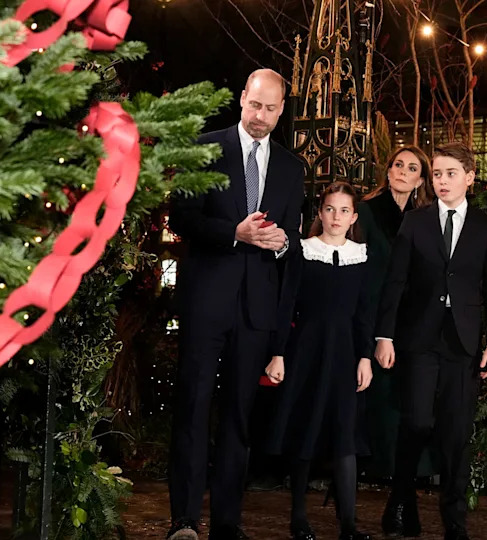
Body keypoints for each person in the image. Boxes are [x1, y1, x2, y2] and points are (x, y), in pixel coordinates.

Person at [167, 68, 306, 540]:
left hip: (256, 312)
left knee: (239, 419)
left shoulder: (292, 167)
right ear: (242, 98)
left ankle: (227, 522)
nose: (261, 116)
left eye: (271, 109)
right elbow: (181, 218)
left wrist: (283, 242)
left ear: (282, 109)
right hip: (206, 304)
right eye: (255, 105)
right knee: (192, 409)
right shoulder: (205, 147)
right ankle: (184, 521)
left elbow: (291, 246)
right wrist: (234, 233)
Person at [375, 142, 487, 540]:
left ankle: (454, 521)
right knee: (415, 423)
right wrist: (384, 335)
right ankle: (401, 504)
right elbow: (395, 282)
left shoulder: (485, 226)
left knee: (455, 434)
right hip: (419, 339)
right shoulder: (415, 222)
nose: (442, 180)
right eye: (437, 174)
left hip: (463, 345)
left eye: (451, 173)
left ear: (469, 177)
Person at [265, 181, 374, 540]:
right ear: (320, 213)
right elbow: (285, 304)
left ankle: (349, 525)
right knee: (305, 431)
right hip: (307, 352)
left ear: (353, 216)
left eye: (344, 210)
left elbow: (363, 314)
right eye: (330, 209)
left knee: (345, 436)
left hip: (345, 355)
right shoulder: (303, 251)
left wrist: (364, 358)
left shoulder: (361, 256)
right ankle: (299, 517)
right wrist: (278, 352)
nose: (336, 216)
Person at [356, 146, 432, 482]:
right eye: (398, 164)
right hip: (373, 307)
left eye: (411, 168)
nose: (402, 171)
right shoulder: (368, 210)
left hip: (413, 314)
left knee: (409, 390)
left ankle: (412, 467)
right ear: (388, 171)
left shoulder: (425, 218)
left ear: (420, 179)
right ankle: (377, 463)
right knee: (378, 389)